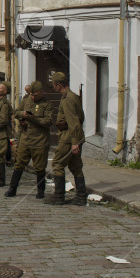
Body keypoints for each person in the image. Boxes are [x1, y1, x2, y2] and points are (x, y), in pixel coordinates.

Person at [6, 81, 54, 199]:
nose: (33, 97)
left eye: (35, 95)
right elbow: (16, 112)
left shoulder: (47, 104)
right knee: (19, 164)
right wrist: (23, 115)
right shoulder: (26, 100)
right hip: (26, 139)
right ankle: (12, 188)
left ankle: (40, 191)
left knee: (40, 167)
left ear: (41, 93)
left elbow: (48, 122)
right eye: (32, 95)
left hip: (40, 140)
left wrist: (33, 119)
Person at [46, 72, 87, 205]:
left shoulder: (68, 99)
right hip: (73, 136)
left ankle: (59, 196)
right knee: (75, 166)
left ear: (58, 85)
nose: (53, 88)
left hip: (69, 137)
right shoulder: (73, 96)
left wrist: (75, 142)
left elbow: (74, 121)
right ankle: (81, 197)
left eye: (54, 85)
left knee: (57, 163)